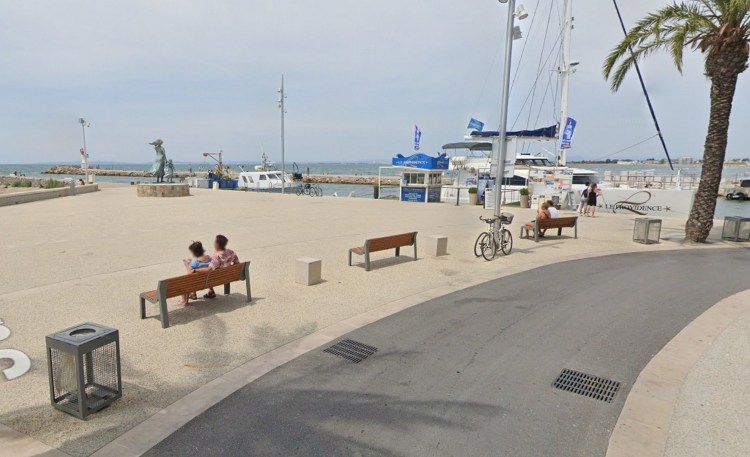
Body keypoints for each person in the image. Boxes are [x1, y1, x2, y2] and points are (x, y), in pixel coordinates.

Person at [192, 235, 240, 299]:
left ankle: (193, 293)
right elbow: (237, 263)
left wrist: (195, 270)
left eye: (215, 241)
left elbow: (209, 270)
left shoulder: (216, 257)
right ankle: (210, 291)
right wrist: (227, 267)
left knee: (200, 271)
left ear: (217, 244)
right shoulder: (231, 252)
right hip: (228, 277)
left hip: (216, 278)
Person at [178, 241, 211, 305]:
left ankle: (184, 300)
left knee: (183, 282)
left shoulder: (195, 262)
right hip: (208, 280)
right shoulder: (209, 258)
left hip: (196, 283)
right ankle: (193, 293)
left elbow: (189, 274)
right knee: (195, 278)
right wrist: (192, 262)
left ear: (194, 252)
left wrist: (187, 265)